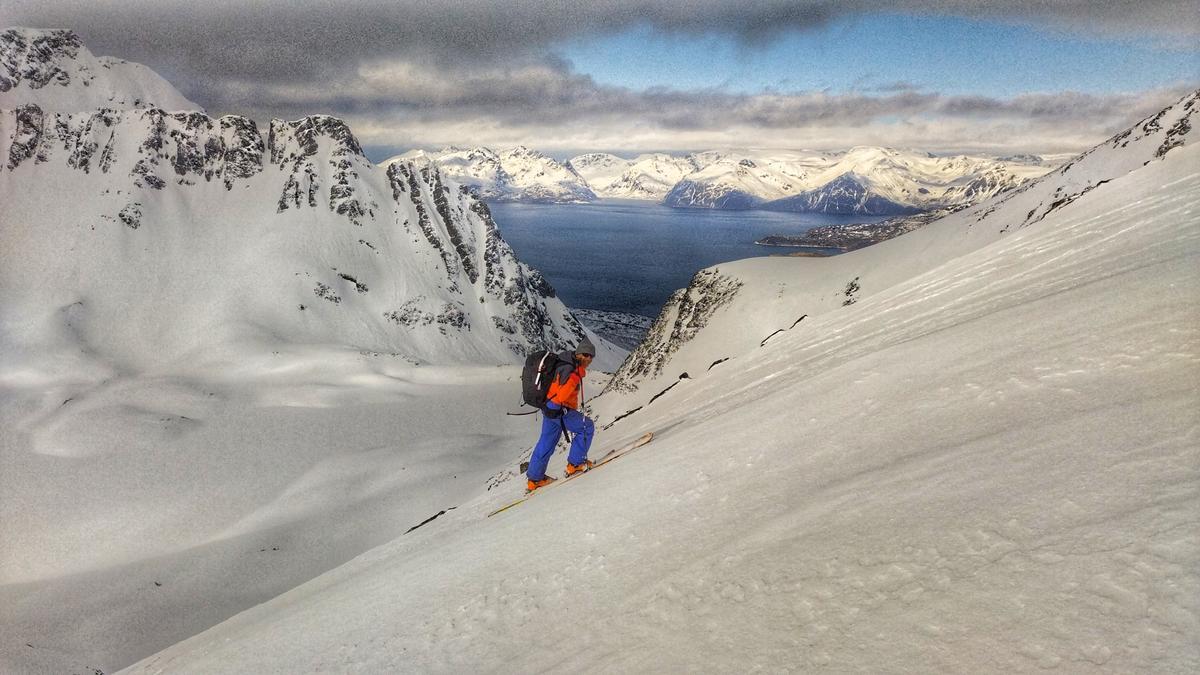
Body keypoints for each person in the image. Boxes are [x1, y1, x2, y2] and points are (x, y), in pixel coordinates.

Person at [526, 339, 596, 491]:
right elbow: (562, 396)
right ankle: (576, 464)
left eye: (591, 356)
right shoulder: (571, 371)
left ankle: (535, 479)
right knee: (586, 427)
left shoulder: (563, 362)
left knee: (546, 442)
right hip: (559, 409)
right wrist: (575, 378)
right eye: (586, 355)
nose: (589, 359)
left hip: (548, 407)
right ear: (579, 354)